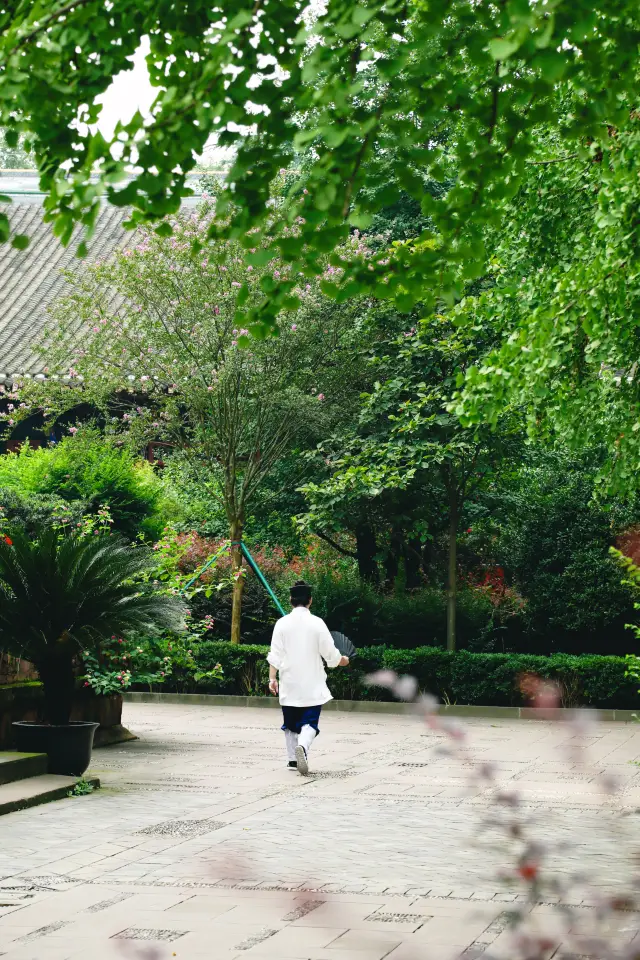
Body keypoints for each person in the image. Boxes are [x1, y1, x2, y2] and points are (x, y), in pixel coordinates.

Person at [267, 579, 349, 775]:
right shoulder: (317, 623)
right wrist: (341, 660)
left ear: (290, 600)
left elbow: (275, 654)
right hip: (312, 683)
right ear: (310, 600)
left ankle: (292, 761)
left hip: (289, 681)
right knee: (309, 722)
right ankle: (303, 747)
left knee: (290, 723)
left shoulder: (282, 623)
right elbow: (330, 653)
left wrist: (272, 678)